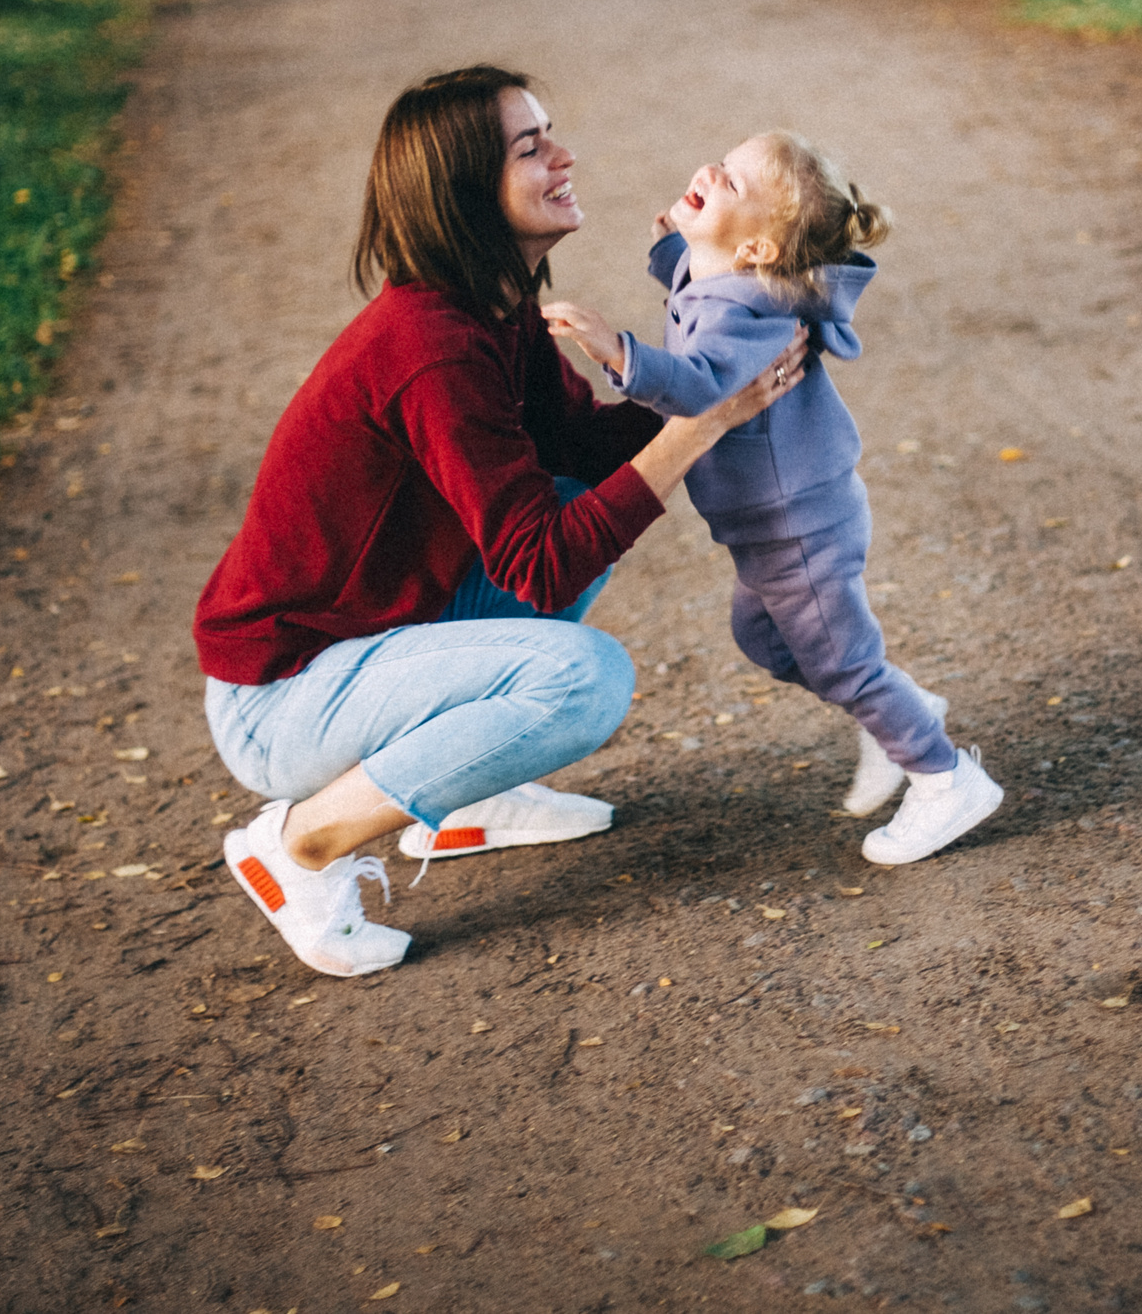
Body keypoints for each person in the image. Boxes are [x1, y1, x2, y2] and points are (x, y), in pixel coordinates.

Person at [195, 67, 806, 978]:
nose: (564, 158)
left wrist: (716, 372)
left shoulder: (493, 309)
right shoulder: (430, 346)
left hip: (372, 641)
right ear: (463, 190)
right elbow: (544, 570)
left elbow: (580, 445)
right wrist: (701, 425)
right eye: (530, 148)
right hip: (282, 695)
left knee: (565, 494)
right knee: (586, 681)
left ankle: (474, 799)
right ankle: (301, 843)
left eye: (549, 134)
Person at [543, 131, 1004, 868]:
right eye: (719, 161)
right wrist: (672, 247)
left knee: (844, 663)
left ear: (758, 252)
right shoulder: (735, 276)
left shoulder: (749, 312)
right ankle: (894, 708)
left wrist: (616, 349)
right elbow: (699, 279)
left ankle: (944, 775)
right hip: (770, 528)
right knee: (767, 641)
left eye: (729, 183)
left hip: (798, 529)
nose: (707, 170)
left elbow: (698, 382)